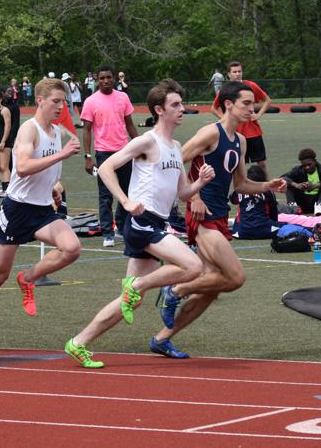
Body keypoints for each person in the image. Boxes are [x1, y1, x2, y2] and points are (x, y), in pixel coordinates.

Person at [64, 81, 212, 368]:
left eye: (181, 104)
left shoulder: (176, 147)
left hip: (157, 222)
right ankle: (141, 284)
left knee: (130, 300)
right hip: (142, 222)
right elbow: (106, 168)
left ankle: (78, 343)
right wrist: (126, 201)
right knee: (194, 266)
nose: (182, 109)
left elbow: (182, 193)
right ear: (159, 110)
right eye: (175, 105)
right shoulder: (147, 141)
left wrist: (200, 183)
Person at [151, 81, 286, 356]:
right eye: (246, 103)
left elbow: (240, 184)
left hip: (220, 215)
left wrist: (267, 186)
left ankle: (162, 339)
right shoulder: (210, 133)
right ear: (228, 104)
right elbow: (173, 162)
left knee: (211, 289)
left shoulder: (241, 141)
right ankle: (175, 290)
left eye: (253, 104)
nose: (252, 109)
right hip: (202, 215)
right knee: (235, 277)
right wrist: (194, 197)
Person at [0, 78, 82, 353]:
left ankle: (28, 278)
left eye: (64, 102)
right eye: (56, 101)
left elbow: (45, 169)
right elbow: (22, 167)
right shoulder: (29, 129)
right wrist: (62, 155)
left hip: (42, 209)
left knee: (71, 248)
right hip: (17, 210)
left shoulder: (55, 131)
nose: (61, 107)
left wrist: (53, 188)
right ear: (40, 101)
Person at [80, 66, 138, 247]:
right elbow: (87, 130)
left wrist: (139, 145)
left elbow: (129, 124)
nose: (105, 81)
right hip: (103, 154)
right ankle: (107, 233)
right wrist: (88, 156)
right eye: (102, 78)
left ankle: (120, 227)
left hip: (124, 152)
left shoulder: (123, 97)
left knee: (127, 192)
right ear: (97, 80)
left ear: (114, 79)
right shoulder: (91, 101)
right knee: (105, 195)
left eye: (109, 77)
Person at [210, 62, 272, 177]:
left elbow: (267, 100)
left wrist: (258, 115)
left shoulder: (250, 85)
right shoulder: (226, 90)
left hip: (253, 132)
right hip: (236, 133)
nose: (238, 74)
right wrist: (226, 120)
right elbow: (213, 108)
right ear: (229, 74)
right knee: (238, 165)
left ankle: (268, 186)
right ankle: (241, 188)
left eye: (239, 71)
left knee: (262, 163)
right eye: (234, 72)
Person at [281, 148, 321, 214]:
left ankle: (319, 207)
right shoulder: (298, 170)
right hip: (304, 202)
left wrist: (315, 186)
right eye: (304, 166)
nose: (307, 167)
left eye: (309, 164)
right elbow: (283, 178)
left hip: (319, 200)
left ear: (315, 161)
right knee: (289, 185)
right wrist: (296, 185)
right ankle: (293, 208)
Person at [230, 165, 281, 239]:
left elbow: (232, 200)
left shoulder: (240, 190)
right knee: (289, 226)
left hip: (241, 232)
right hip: (265, 229)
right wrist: (274, 223)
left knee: (240, 212)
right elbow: (273, 211)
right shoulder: (268, 191)